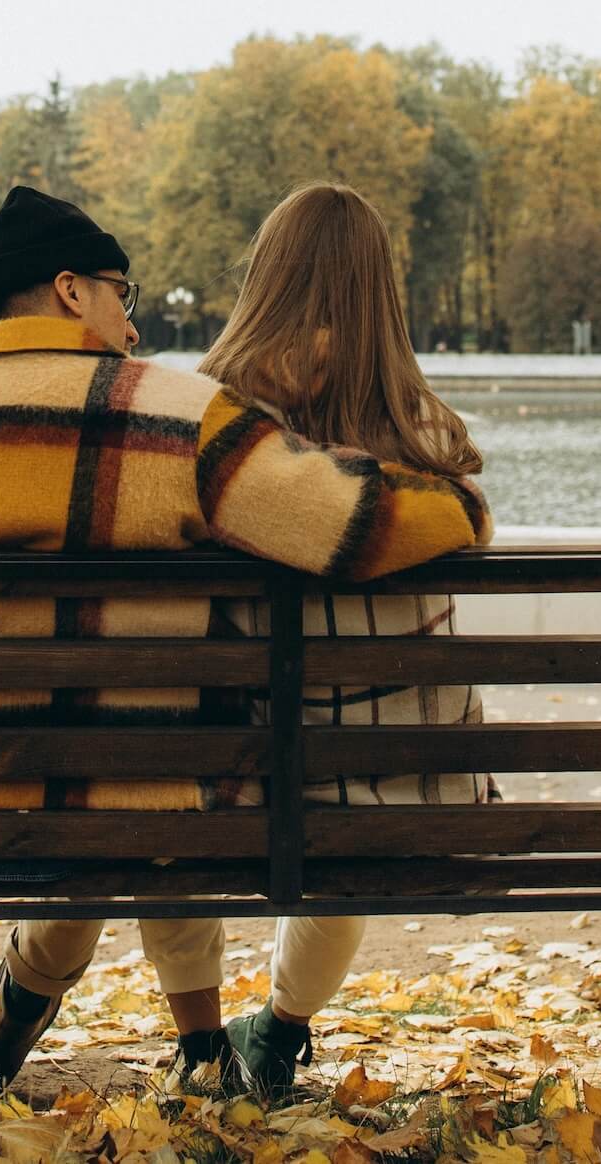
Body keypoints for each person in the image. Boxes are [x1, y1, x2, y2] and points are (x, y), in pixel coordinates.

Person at [0, 185, 490, 1101]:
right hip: (120, 790)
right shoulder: (178, 418)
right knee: (119, 799)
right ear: (72, 290)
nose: (132, 318)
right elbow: (344, 523)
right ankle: (102, 1019)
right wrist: (462, 506)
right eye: (122, 292)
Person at [196, 182, 494, 1094]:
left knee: (243, 763)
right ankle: (280, 1032)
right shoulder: (426, 436)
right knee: (351, 804)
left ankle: (200, 1043)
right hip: (421, 784)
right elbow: (463, 515)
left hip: (245, 779)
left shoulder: (216, 420)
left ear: (266, 276)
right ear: (380, 291)